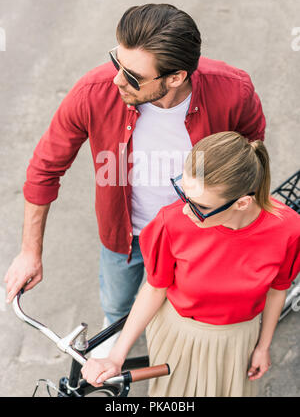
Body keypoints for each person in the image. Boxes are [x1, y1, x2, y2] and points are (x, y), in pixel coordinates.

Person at [4, 4, 266, 358]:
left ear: (175, 77)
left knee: (190, 310)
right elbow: (44, 170)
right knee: (117, 303)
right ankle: (115, 329)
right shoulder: (94, 91)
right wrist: (29, 252)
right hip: (125, 235)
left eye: (132, 75)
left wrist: (241, 223)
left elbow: (252, 153)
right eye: (117, 62)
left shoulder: (233, 90)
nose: (117, 80)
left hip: (201, 236)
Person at [81, 132, 300, 397]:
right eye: (182, 192)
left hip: (238, 338)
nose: (185, 210)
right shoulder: (171, 222)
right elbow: (154, 289)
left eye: (199, 205)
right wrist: (115, 357)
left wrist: (263, 347)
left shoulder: (289, 229)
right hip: (179, 335)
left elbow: (278, 289)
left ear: (242, 203)